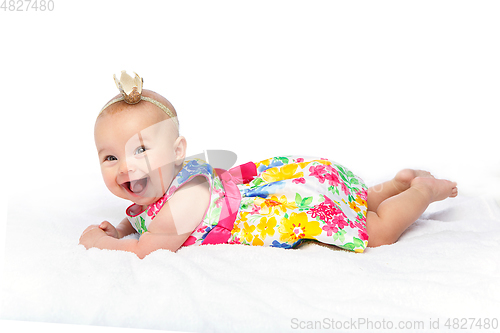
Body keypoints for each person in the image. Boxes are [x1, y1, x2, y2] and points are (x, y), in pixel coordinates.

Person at [79, 71, 458, 259]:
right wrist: (124, 225)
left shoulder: (184, 199)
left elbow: (149, 249)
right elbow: (145, 218)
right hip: (292, 182)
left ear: (178, 150)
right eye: (111, 157)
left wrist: (100, 244)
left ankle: (422, 191)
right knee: (359, 201)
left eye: (140, 150)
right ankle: (392, 186)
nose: (126, 167)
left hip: (290, 206)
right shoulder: (174, 179)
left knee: (373, 232)